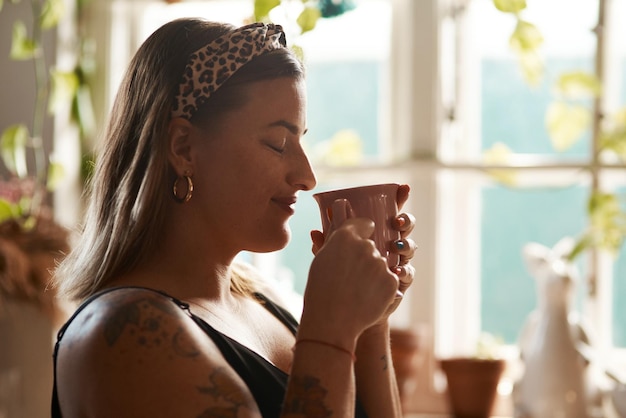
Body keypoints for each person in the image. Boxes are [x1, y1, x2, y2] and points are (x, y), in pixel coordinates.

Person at [51, 18, 417, 418]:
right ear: (184, 147)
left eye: (301, 140)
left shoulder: (262, 301)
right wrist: (329, 330)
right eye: (278, 143)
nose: (307, 176)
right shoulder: (123, 335)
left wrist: (369, 323)